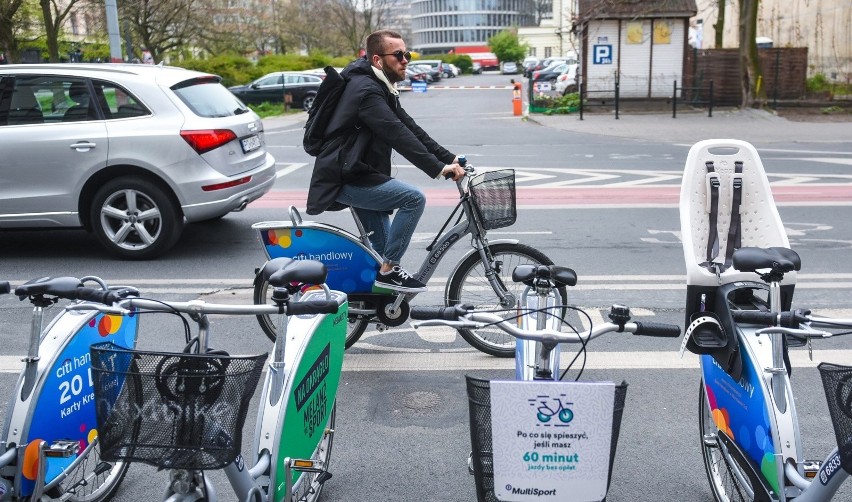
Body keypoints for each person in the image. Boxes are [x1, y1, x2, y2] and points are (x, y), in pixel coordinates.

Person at [306, 30, 465, 293]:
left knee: (379, 252)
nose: (406, 60)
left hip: (362, 173)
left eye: (407, 54)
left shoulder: (378, 86)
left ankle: (378, 297)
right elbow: (397, 133)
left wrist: (448, 157)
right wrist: (438, 169)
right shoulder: (365, 91)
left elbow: (409, 127)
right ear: (378, 60)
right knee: (413, 199)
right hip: (346, 177)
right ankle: (390, 271)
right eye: (399, 55)